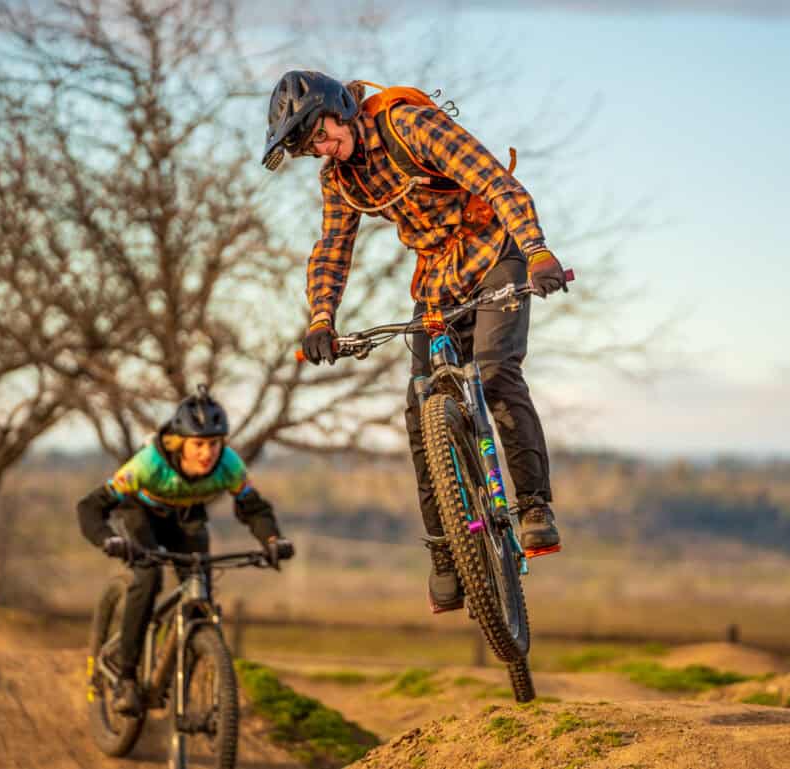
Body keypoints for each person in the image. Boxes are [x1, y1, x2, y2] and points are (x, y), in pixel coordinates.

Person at [262, 71, 566, 614]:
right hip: (437, 283)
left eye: (322, 134)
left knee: (495, 372)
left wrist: (538, 250)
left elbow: (497, 182)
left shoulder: (409, 125)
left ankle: (534, 506)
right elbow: (333, 247)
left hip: (496, 256)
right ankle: (447, 551)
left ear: (339, 110)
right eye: (311, 147)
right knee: (418, 407)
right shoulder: (339, 181)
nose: (322, 149)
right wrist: (321, 319)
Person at [77, 385, 293, 715]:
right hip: (142, 515)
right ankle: (127, 678)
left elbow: (254, 509)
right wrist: (108, 538)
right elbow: (91, 506)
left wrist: (272, 541)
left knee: (200, 597)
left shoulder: (230, 466)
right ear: (181, 443)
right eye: (199, 444)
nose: (207, 453)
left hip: (186, 519)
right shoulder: (147, 464)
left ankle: (182, 659)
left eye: (214, 443)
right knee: (148, 578)